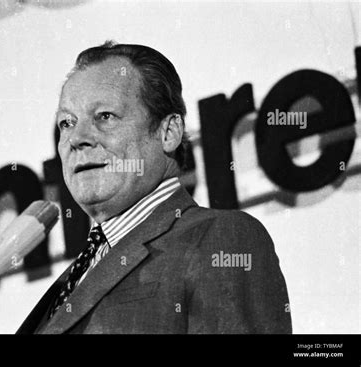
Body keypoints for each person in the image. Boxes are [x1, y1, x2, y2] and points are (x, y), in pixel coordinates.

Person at [17, 41, 292, 334]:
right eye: (67, 123)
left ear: (169, 132)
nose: (77, 138)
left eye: (105, 116)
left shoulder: (219, 238)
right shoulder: (75, 278)